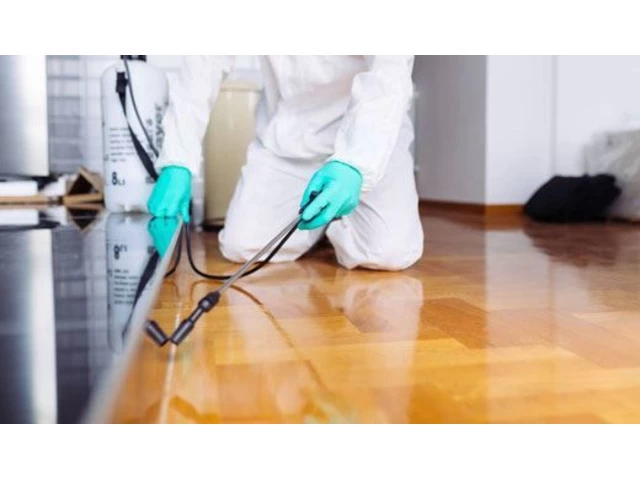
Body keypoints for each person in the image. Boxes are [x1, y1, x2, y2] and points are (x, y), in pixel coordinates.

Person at [148, 56, 423, 270]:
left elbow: (389, 72)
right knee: (241, 245)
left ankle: (336, 216)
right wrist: (178, 160)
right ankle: (320, 227)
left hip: (369, 133)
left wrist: (355, 162)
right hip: (290, 137)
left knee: (389, 252)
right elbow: (202, 63)